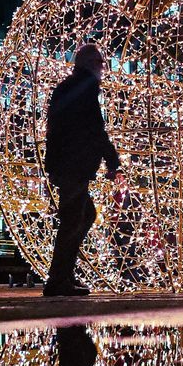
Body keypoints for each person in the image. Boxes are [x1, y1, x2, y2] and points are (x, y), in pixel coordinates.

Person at [43, 44, 120, 296]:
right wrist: (112, 159)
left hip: (67, 163)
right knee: (73, 221)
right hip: (72, 165)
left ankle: (63, 275)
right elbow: (94, 129)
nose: (102, 68)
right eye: (100, 62)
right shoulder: (84, 88)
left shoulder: (71, 87)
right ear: (90, 63)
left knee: (84, 216)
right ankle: (58, 280)